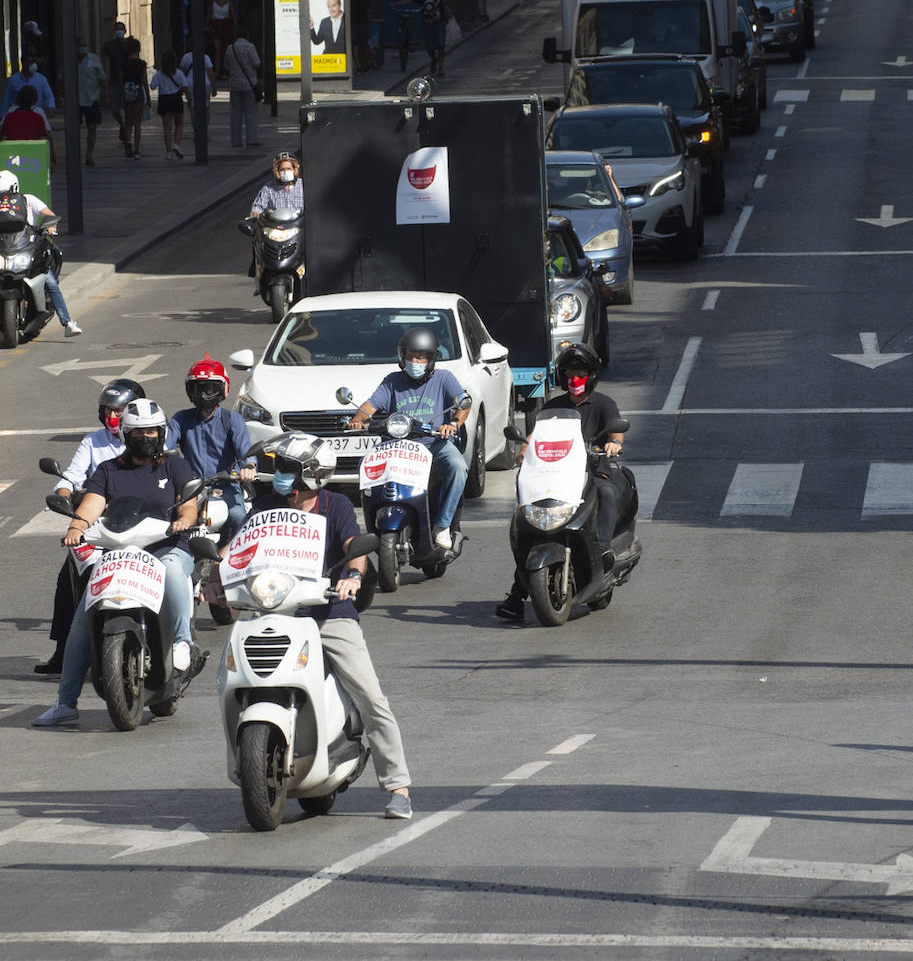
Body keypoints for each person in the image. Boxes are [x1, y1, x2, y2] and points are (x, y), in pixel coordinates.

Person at [202, 431, 413, 819]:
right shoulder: (265, 505)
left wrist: (351, 575)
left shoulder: (337, 507)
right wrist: (215, 576)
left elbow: (355, 549)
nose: (279, 475)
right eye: (279, 467)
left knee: (369, 695)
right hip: (272, 609)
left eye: (287, 469)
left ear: (311, 476)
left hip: (328, 612)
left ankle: (397, 785)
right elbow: (238, 548)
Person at [32, 398, 203, 727]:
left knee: (171, 569)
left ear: (162, 433)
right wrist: (76, 527)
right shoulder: (109, 470)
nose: (148, 437)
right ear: (126, 434)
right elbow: (93, 505)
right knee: (83, 618)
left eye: (153, 431)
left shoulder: (174, 466)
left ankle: (182, 640)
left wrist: (184, 519)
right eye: (140, 432)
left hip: (165, 546)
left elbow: (189, 504)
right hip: (119, 551)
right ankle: (66, 702)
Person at [494, 342, 637, 621]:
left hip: (593, 470)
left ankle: (605, 549)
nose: (575, 379)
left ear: (592, 375)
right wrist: (523, 452)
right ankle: (516, 594)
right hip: (556, 474)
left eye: (581, 372)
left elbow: (616, 432)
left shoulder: (604, 404)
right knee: (529, 526)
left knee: (606, 492)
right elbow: (535, 436)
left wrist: (613, 444)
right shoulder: (553, 407)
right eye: (570, 373)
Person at [34, 378, 144, 675]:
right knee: (67, 580)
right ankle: (64, 650)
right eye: (107, 410)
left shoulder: (153, 439)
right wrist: (64, 496)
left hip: (143, 526)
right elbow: (70, 478)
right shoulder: (92, 442)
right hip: (98, 526)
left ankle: (178, 643)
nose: (112, 417)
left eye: (118, 411)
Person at [349, 327, 470, 549]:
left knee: (457, 466)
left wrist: (452, 424)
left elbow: (464, 402)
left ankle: (442, 526)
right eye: (411, 356)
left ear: (431, 359)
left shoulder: (444, 378)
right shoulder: (392, 381)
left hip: (434, 446)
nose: (415, 361)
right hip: (398, 448)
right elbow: (369, 406)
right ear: (402, 356)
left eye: (421, 357)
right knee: (364, 465)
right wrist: (359, 419)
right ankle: (376, 519)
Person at [165, 355, 256, 539]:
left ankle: (234, 554)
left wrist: (249, 467)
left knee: (239, 516)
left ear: (222, 389)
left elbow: (245, 452)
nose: (203, 394)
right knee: (171, 517)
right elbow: (165, 448)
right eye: (197, 389)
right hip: (192, 487)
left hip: (227, 484)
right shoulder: (180, 419)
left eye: (210, 388)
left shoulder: (232, 420)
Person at [0, 170, 80, 336]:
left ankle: (67, 322)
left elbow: (49, 214)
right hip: (6, 250)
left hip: (28, 249)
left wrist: (50, 227)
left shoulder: (29, 200)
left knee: (49, 280)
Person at [396, 0, 449, 79]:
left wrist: (447, 12)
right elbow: (409, 0)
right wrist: (396, 4)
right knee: (429, 46)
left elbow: (444, 4)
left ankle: (441, 67)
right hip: (428, 24)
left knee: (440, 44)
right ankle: (434, 59)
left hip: (439, 23)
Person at [0, 84, 56, 167]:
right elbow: (44, 139)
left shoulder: (9, 117)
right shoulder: (38, 118)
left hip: (12, 158)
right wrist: (51, 160)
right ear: (34, 101)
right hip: (33, 159)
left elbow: (3, 138)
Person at [224, 34, 261, 149]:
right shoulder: (250, 47)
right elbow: (256, 63)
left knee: (235, 113)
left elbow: (226, 66)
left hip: (234, 85)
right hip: (249, 85)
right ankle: (252, 140)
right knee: (251, 112)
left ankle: (236, 141)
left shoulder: (230, 48)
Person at [149, 50, 188, 160]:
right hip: (176, 98)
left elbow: (152, 86)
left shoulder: (159, 74)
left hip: (164, 99)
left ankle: (169, 152)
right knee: (179, 124)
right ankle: (176, 144)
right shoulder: (179, 73)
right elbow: (185, 86)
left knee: (167, 127)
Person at [0, 48, 55, 120]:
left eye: (34, 62)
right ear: (24, 63)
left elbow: (49, 96)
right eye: (31, 62)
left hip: (36, 116)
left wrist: (50, 107)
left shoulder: (41, 79)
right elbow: (6, 100)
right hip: (18, 116)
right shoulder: (12, 80)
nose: (33, 65)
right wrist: (2, 116)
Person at [76, 36, 107, 167]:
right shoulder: (69, 59)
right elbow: (61, 79)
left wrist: (105, 96)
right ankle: (75, 154)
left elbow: (103, 78)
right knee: (73, 129)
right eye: (80, 45)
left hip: (92, 98)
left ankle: (89, 155)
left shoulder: (94, 59)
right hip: (75, 100)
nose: (83, 48)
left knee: (92, 127)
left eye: (84, 45)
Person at [120, 36, 150, 159]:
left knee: (128, 121)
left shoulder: (123, 63)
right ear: (138, 49)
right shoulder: (141, 64)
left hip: (127, 91)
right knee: (137, 122)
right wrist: (148, 96)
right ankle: (137, 150)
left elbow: (120, 79)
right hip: (138, 92)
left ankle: (128, 143)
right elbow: (144, 81)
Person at [249, 151, 303, 217]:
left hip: (299, 224)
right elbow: (259, 205)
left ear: (294, 170)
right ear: (277, 172)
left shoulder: (303, 185)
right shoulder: (268, 188)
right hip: (277, 225)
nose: (286, 172)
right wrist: (255, 212)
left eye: (288, 169)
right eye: (282, 170)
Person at [206, 0, 239, 78]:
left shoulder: (229, 2)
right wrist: (206, 26)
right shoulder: (212, 2)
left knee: (226, 48)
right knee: (217, 48)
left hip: (226, 25)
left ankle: (225, 70)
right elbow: (209, 14)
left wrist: (236, 26)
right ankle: (217, 69)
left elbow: (233, 15)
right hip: (215, 25)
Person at [101, 21, 128, 140]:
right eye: (117, 29)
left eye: (121, 29)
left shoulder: (129, 44)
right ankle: (122, 125)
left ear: (125, 31)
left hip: (128, 81)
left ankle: (127, 130)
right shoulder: (109, 46)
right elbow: (104, 61)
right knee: (114, 108)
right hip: (114, 80)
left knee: (128, 108)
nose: (119, 31)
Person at [179, 45, 216, 121]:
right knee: (206, 107)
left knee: (192, 108)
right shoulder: (205, 57)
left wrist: (181, 87)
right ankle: (205, 127)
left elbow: (181, 74)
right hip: (205, 84)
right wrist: (214, 87)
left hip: (189, 84)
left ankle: (195, 126)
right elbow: (210, 74)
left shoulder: (185, 57)